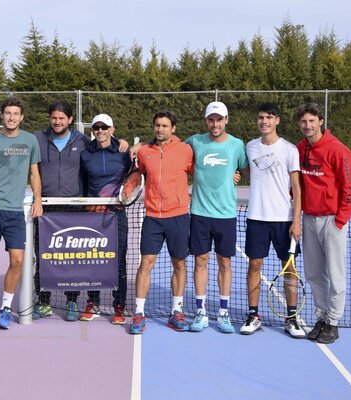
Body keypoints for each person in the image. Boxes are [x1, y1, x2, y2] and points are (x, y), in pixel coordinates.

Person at [32, 101, 128, 322]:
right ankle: (44, 301)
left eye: (62, 118)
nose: (57, 122)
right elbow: (14, 139)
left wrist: (129, 144)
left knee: (76, 258)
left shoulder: (82, 142)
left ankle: (73, 301)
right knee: (45, 256)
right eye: (54, 117)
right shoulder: (37, 139)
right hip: (46, 207)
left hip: (78, 209)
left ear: (71, 119)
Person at [0, 96, 43, 330]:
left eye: (16, 114)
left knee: (18, 261)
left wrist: (38, 199)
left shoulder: (30, 140)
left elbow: (34, 173)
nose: (12, 117)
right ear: (2, 116)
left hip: (15, 211)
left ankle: (5, 309)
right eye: (8, 113)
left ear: (22, 117)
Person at [296, 102, 351, 344]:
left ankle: (333, 322)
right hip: (309, 219)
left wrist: (340, 221)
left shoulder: (338, 150)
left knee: (335, 275)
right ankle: (321, 317)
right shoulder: (300, 148)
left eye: (312, 121)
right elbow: (297, 185)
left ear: (320, 122)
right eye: (303, 121)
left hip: (332, 221)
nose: (308, 125)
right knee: (313, 274)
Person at [239, 102, 304, 338]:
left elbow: (297, 188)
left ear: (277, 120)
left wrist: (296, 221)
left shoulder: (289, 150)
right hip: (256, 217)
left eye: (269, 117)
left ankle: (292, 317)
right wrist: (239, 174)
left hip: (284, 220)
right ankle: (253, 315)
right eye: (260, 117)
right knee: (254, 265)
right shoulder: (250, 146)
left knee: (290, 269)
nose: (264, 121)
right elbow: (249, 172)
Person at [186, 101, 249, 334]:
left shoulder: (237, 145)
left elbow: (244, 168)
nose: (215, 124)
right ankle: (200, 311)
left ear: (226, 120)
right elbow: (172, 151)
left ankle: (223, 312)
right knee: (200, 262)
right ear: (206, 121)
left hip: (226, 215)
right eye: (211, 119)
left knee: (225, 263)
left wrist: (239, 174)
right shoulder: (195, 141)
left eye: (219, 119)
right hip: (200, 214)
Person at [129, 110, 194, 334]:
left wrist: (232, 174)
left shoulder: (186, 150)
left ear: (173, 128)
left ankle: (176, 312)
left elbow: (204, 171)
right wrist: (132, 147)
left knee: (180, 264)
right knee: (145, 263)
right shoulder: (145, 152)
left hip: (178, 216)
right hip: (153, 218)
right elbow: (137, 173)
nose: (160, 129)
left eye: (165, 126)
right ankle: (139, 313)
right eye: (157, 125)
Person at [80, 113, 131, 324]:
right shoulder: (85, 154)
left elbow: (137, 172)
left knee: (118, 261)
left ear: (112, 129)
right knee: (94, 260)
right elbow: (82, 183)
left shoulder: (124, 152)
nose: (100, 131)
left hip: (116, 215)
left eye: (104, 127)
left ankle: (119, 305)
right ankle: (93, 302)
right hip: (92, 215)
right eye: (96, 127)